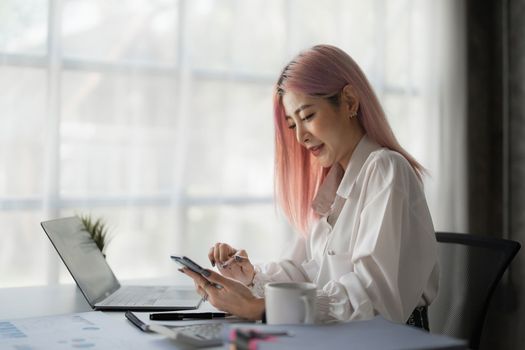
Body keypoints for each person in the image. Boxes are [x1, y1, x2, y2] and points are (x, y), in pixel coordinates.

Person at [180, 44, 439, 329]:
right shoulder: (331, 187)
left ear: (350, 101)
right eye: (292, 125)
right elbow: (305, 273)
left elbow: (374, 298)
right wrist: (249, 277)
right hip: (338, 337)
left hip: (390, 341)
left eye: (307, 116)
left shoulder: (385, 169)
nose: (301, 136)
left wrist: (262, 307)